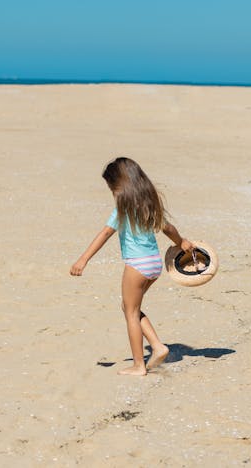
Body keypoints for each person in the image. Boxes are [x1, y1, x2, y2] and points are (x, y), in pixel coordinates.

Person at [70, 157, 195, 376]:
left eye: (112, 188)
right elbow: (168, 228)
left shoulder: (123, 208)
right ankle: (157, 346)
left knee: (130, 313)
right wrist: (181, 242)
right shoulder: (150, 204)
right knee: (130, 308)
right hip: (154, 264)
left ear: (120, 185)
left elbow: (105, 233)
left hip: (136, 265)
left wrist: (83, 259)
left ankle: (139, 365)